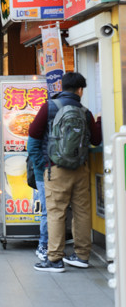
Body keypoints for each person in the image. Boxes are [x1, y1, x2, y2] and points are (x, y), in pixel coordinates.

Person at [30, 72, 102, 272]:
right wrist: (99, 122)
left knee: (55, 213)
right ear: (80, 90)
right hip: (80, 168)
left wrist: (42, 165)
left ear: (61, 87)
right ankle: (82, 256)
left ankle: (54, 259)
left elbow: (33, 135)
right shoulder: (84, 111)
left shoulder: (49, 107)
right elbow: (95, 139)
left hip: (55, 169)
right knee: (81, 212)